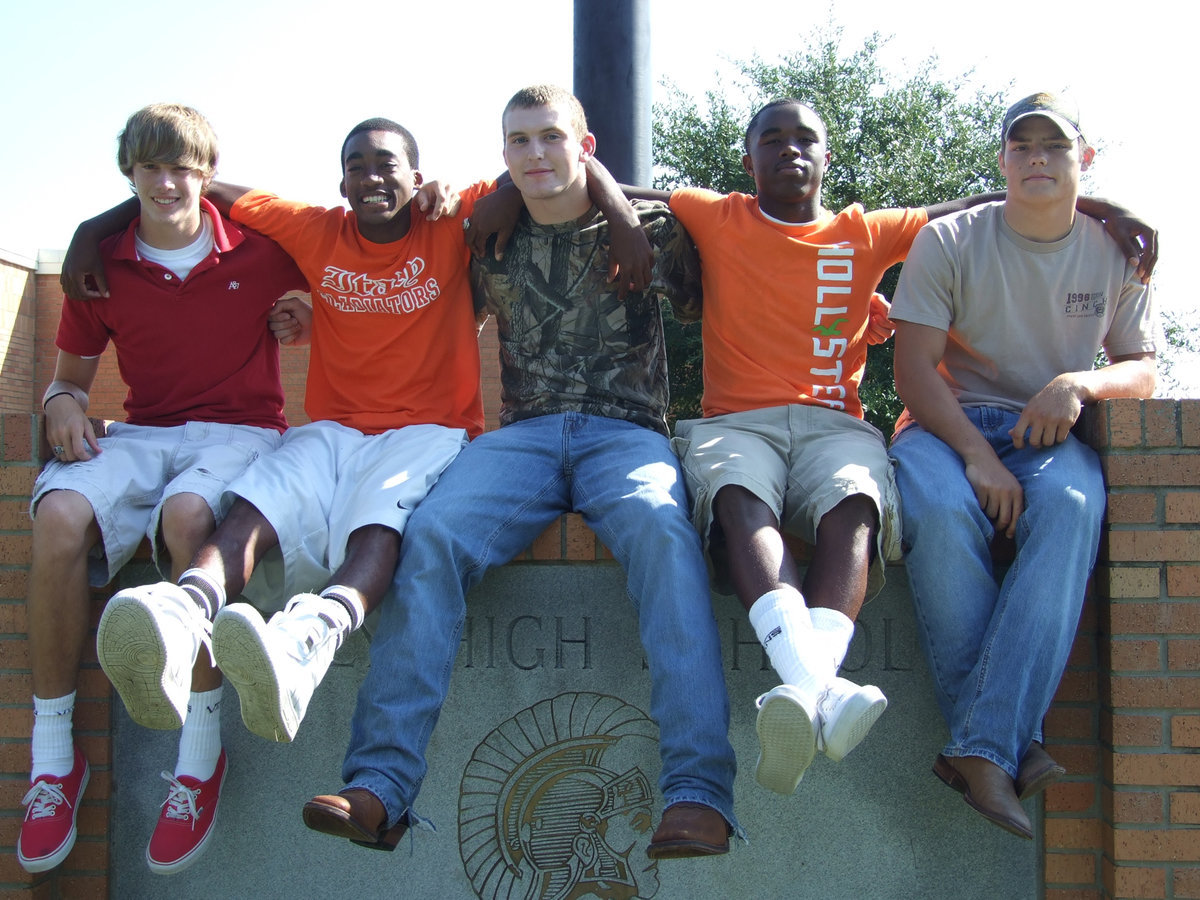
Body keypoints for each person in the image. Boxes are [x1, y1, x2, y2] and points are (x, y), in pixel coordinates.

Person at [599, 98, 1156, 798]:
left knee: (859, 503)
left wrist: (1101, 207)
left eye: (806, 138)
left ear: (828, 156)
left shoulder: (868, 231)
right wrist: (591, 205)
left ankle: (818, 691)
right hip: (737, 424)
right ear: (748, 161)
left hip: (837, 425)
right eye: (772, 140)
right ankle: (821, 691)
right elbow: (612, 183)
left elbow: (985, 202)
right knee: (737, 497)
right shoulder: (716, 213)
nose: (790, 150)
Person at [302, 85, 740, 859]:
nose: (535, 153)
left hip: (627, 434)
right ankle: (380, 786)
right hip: (524, 437)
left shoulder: (652, 226)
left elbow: (722, 299)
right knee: (431, 535)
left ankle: (698, 791)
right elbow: (410, 290)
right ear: (502, 154)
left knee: (664, 534)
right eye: (518, 142)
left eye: (551, 137)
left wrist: (620, 209)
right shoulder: (486, 235)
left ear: (585, 146)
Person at [18, 103, 307, 875]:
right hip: (145, 433)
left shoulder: (262, 246)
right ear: (130, 173)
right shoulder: (100, 265)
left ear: (208, 174)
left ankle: (199, 756)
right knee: (57, 514)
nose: (167, 182)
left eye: (183, 167)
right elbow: (67, 381)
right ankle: (54, 761)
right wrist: (61, 406)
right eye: (151, 167)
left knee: (188, 519)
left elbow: (348, 271)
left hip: (242, 432)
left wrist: (307, 309)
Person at [887, 93, 1157, 839]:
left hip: (1047, 435)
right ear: (1003, 159)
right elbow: (913, 371)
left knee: (1073, 506)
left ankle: (981, 747)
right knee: (940, 508)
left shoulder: (1118, 251)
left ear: (1084, 158)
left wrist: (1078, 384)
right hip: (943, 428)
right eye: (1022, 146)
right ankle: (1009, 743)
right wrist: (977, 456)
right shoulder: (949, 240)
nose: (1038, 158)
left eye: (1055, 146)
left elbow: (1142, 368)